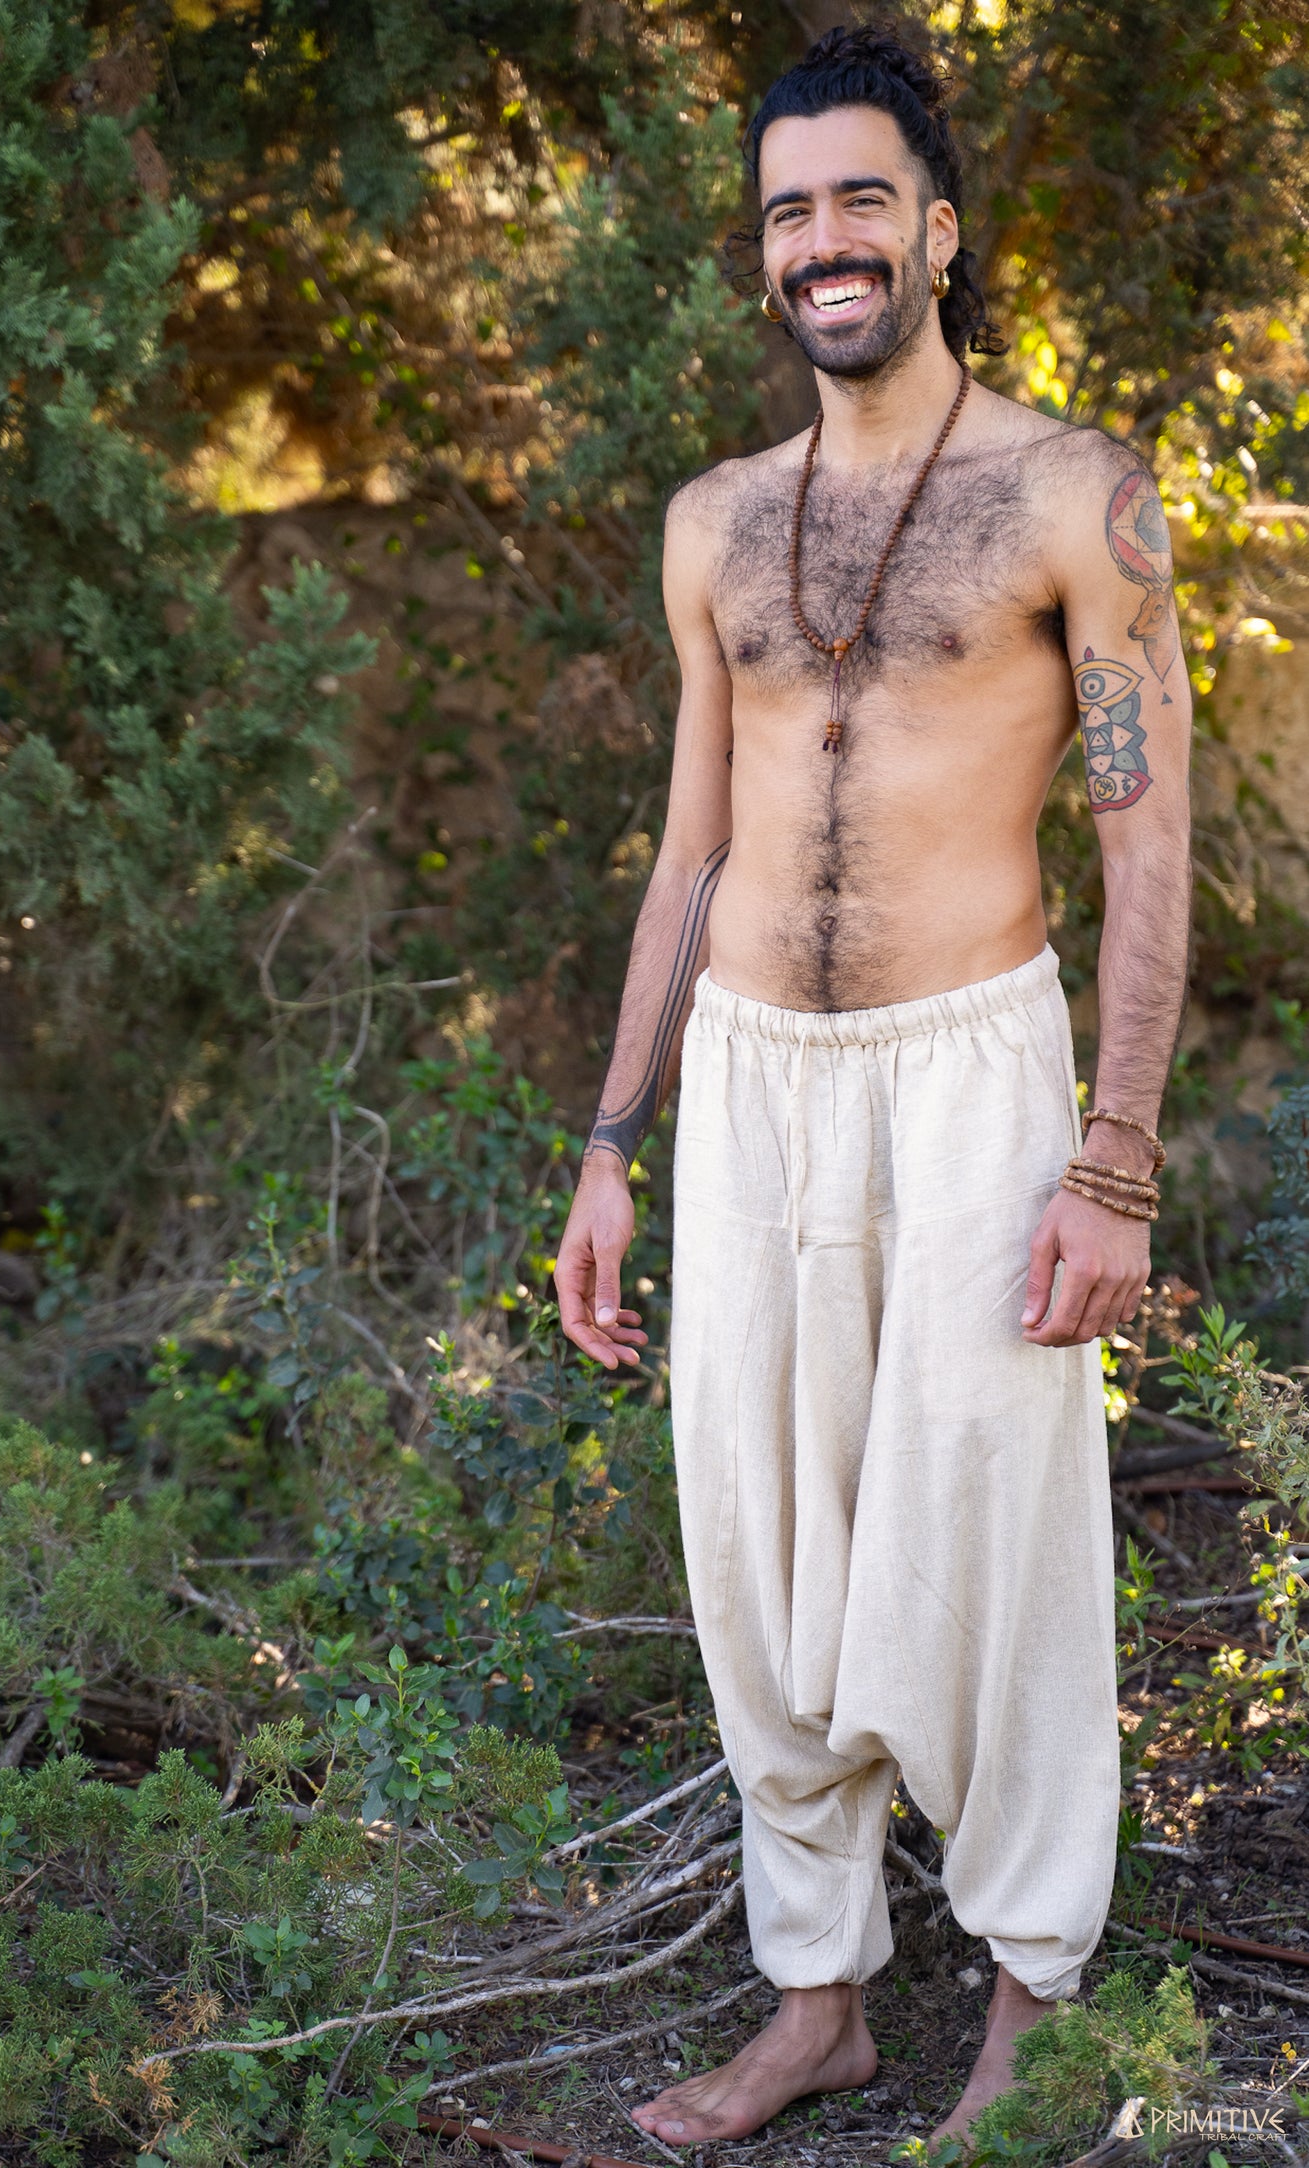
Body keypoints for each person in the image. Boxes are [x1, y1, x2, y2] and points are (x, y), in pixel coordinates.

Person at [552, 23, 1192, 2153]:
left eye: (856, 199)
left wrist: (1115, 1161)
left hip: (971, 1071)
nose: (819, 239)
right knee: (757, 1540)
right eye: (785, 210)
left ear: (936, 227)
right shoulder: (714, 526)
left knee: (989, 1531)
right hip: (750, 1085)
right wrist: (612, 1143)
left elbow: (1148, 841)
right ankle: (815, 1999)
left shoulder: (1074, 494)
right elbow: (688, 849)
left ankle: (1029, 2006)